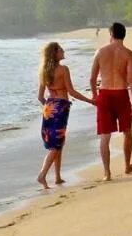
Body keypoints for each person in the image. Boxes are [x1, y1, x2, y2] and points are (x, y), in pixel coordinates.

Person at [37, 41, 93, 190]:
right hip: (61, 107)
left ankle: (57, 177)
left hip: (49, 108)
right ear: (55, 54)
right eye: (61, 50)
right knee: (57, 144)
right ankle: (42, 175)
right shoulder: (63, 70)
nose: (63, 51)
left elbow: (40, 97)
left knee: (57, 142)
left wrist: (50, 107)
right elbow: (71, 92)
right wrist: (90, 101)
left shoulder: (43, 71)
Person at [89, 22, 132, 180]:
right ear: (123, 35)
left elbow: (92, 78)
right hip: (121, 94)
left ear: (111, 34)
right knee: (127, 132)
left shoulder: (100, 52)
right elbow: (131, 79)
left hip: (104, 95)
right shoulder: (128, 54)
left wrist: (94, 96)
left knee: (105, 136)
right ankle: (127, 166)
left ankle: (107, 173)